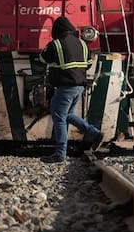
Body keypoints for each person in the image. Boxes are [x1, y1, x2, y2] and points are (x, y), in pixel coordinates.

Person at [40, 16, 104, 163]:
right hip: (79, 87)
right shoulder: (82, 43)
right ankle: (95, 133)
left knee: (59, 117)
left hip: (65, 87)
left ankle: (60, 153)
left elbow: (43, 58)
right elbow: (88, 63)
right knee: (67, 114)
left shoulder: (55, 44)